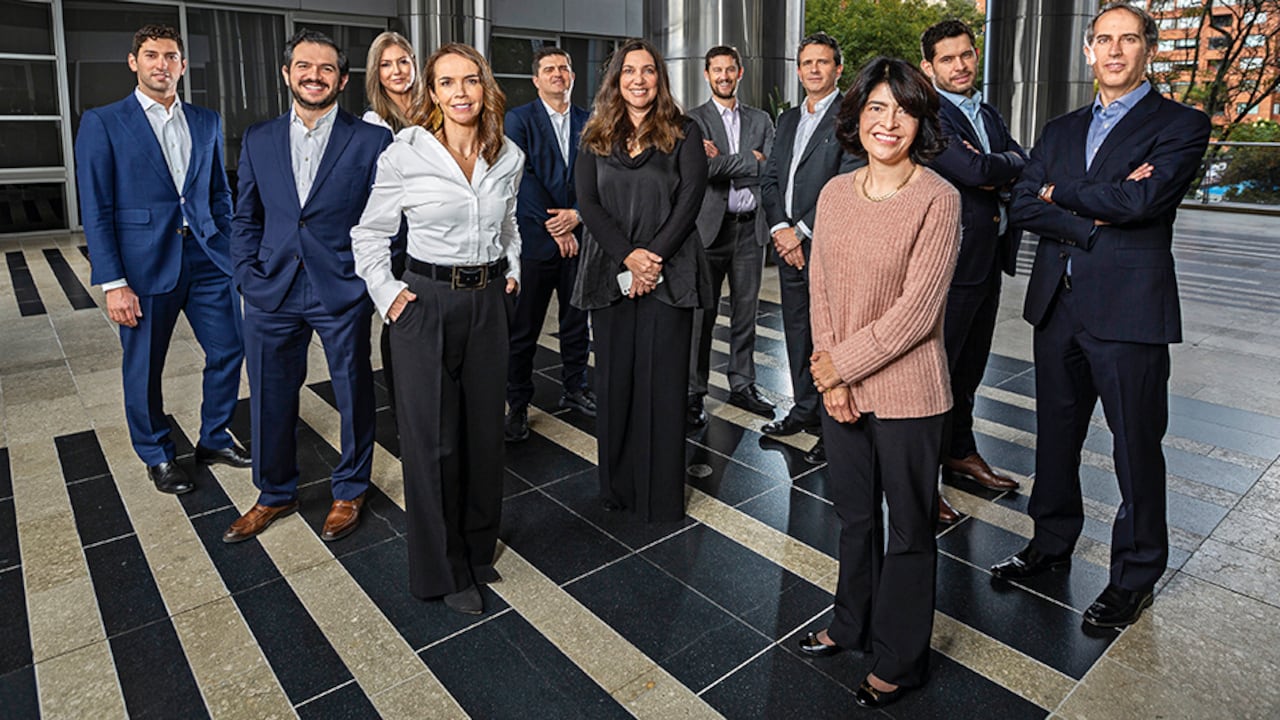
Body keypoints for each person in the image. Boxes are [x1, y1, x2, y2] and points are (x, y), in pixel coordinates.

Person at [994, 2, 1210, 629]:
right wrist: (1091, 215)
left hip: (1128, 311)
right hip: (1056, 305)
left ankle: (1135, 575)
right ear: (1089, 51)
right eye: (1104, 40)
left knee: (1135, 447)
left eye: (1129, 40)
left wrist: (1058, 192)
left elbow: (1143, 200)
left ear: (1147, 50)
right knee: (1056, 439)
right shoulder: (1059, 128)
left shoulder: (1181, 123)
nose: (1115, 51)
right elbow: (1022, 201)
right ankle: (1049, 543)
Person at [799, 56, 957, 709]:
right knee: (854, 517)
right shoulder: (835, 192)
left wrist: (844, 365)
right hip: (844, 385)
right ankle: (849, 622)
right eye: (875, 108)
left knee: (910, 528)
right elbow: (822, 288)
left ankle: (901, 658)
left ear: (919, 120)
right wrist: (829, 375)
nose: (887, 122)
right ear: (857, 117)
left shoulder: (938, 199)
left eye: (901, 109)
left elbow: (917, 314)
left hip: (911, 394)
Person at [352, 43, 523, 615]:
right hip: (424, 303)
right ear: (432, 93)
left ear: (485, 86)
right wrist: (391, 296)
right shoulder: (406, 154)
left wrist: (513, 269)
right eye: (446, 83)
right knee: (432, 444)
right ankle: (441, 571)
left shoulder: (509, 156)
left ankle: (476, 550)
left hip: (487, 304)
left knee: (483, 436)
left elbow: (512, 225)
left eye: (469, 81)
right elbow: (368, 235)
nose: (459, 93)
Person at [227, 29, 392, 544]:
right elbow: (245, 216)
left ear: (342, 79)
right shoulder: (258, 138)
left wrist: (369, 280)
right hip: (271, 289)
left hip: (339, 287)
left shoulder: (371, 140)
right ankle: (275, 492)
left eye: (325, 69)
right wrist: (246, 274)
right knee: (270, 394)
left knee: (352, 390)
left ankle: (350, 488)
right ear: (287, 73)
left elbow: (386, 220)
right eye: (304, 66)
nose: (313, 76)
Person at [75, 24, 250, 495]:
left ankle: (213, 437)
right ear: (134, 62)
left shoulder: (206, 120)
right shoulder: (104, 122)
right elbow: (96, 207)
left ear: (182, 65)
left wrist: (230, 247)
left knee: (230, 349)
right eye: (151, 55)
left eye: (170, 56)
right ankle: (156, 453)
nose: (161, 64)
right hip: (143, 265)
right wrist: (113, 281)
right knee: (145, 364)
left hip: (206, 257)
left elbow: (219, 192)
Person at [574, 38, 709, 522]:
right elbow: (587, 204)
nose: (638, 79)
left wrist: (651, 258)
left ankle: (660, 495)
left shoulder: (684, 132)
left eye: (647, 71)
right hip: (611, 272)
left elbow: (690, 200)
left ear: (660, 78)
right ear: (616, 79)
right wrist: (628, 256)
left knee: (664, 386)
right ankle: (618, 488)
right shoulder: (594, 136)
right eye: (629, 71)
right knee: (615, 384)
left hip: (669, 272)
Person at [919, 19, 1026, 525]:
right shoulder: (931, 115)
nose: (959, 66)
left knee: (969, 371)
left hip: (988, 260)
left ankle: (959, 452)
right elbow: (977, 172)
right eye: (947, 58)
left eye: (965, 55)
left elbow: (1018, 162)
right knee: (934, 376)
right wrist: (1005, 163)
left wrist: (1002, 162)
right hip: (952, 264)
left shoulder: (986, 111)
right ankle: (921, 483)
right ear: (928, 67)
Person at [760, 32, 863, 465]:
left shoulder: (850, 117)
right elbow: (770, 179)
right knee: (797, 331)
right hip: (788, 246)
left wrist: (801, 231)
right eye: (807, 63)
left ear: (838, 68)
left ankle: (831, 422)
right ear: (799, 70)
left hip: (828, 247)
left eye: (823, 62)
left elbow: (848, 183)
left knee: (829, 338)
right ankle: (804, 408)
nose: (814, 70)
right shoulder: (786, 121)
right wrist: (782, 230)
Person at [503, 46, 595, 443]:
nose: (558, 74)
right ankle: (518, 403)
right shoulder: (518, 120)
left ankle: (575, 389)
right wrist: (557, 227)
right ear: (536, 80)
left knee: (577, 322)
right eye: (549, 69)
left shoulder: (590, 120)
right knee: (525, 328)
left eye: (564, 67)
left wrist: (577, 216)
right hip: (537, 241)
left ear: (571, 75)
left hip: (580, 235)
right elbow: (520, 176)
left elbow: (597, 177)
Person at [686, 45, 777, 428]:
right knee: (700, 316)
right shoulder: (693, 121)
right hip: (709, 232)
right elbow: (699, 170)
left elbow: (769, 167)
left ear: (740, 73)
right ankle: (693, 392)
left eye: (730, 69)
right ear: (707, 75)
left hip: (748, 229)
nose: (723, 76)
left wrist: (721, 160)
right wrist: (746, 160)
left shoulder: (761, 119)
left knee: (745, 313)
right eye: (716, 70)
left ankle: (743, 384)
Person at [361, 31, 422, 415]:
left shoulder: (438, 112)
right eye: (386, 64)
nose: (397, 70)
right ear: (376, 74)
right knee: (402, 319)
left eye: (403, 61)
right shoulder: (374, 125)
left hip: (439, 233)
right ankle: (405, 409)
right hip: (400, 239)